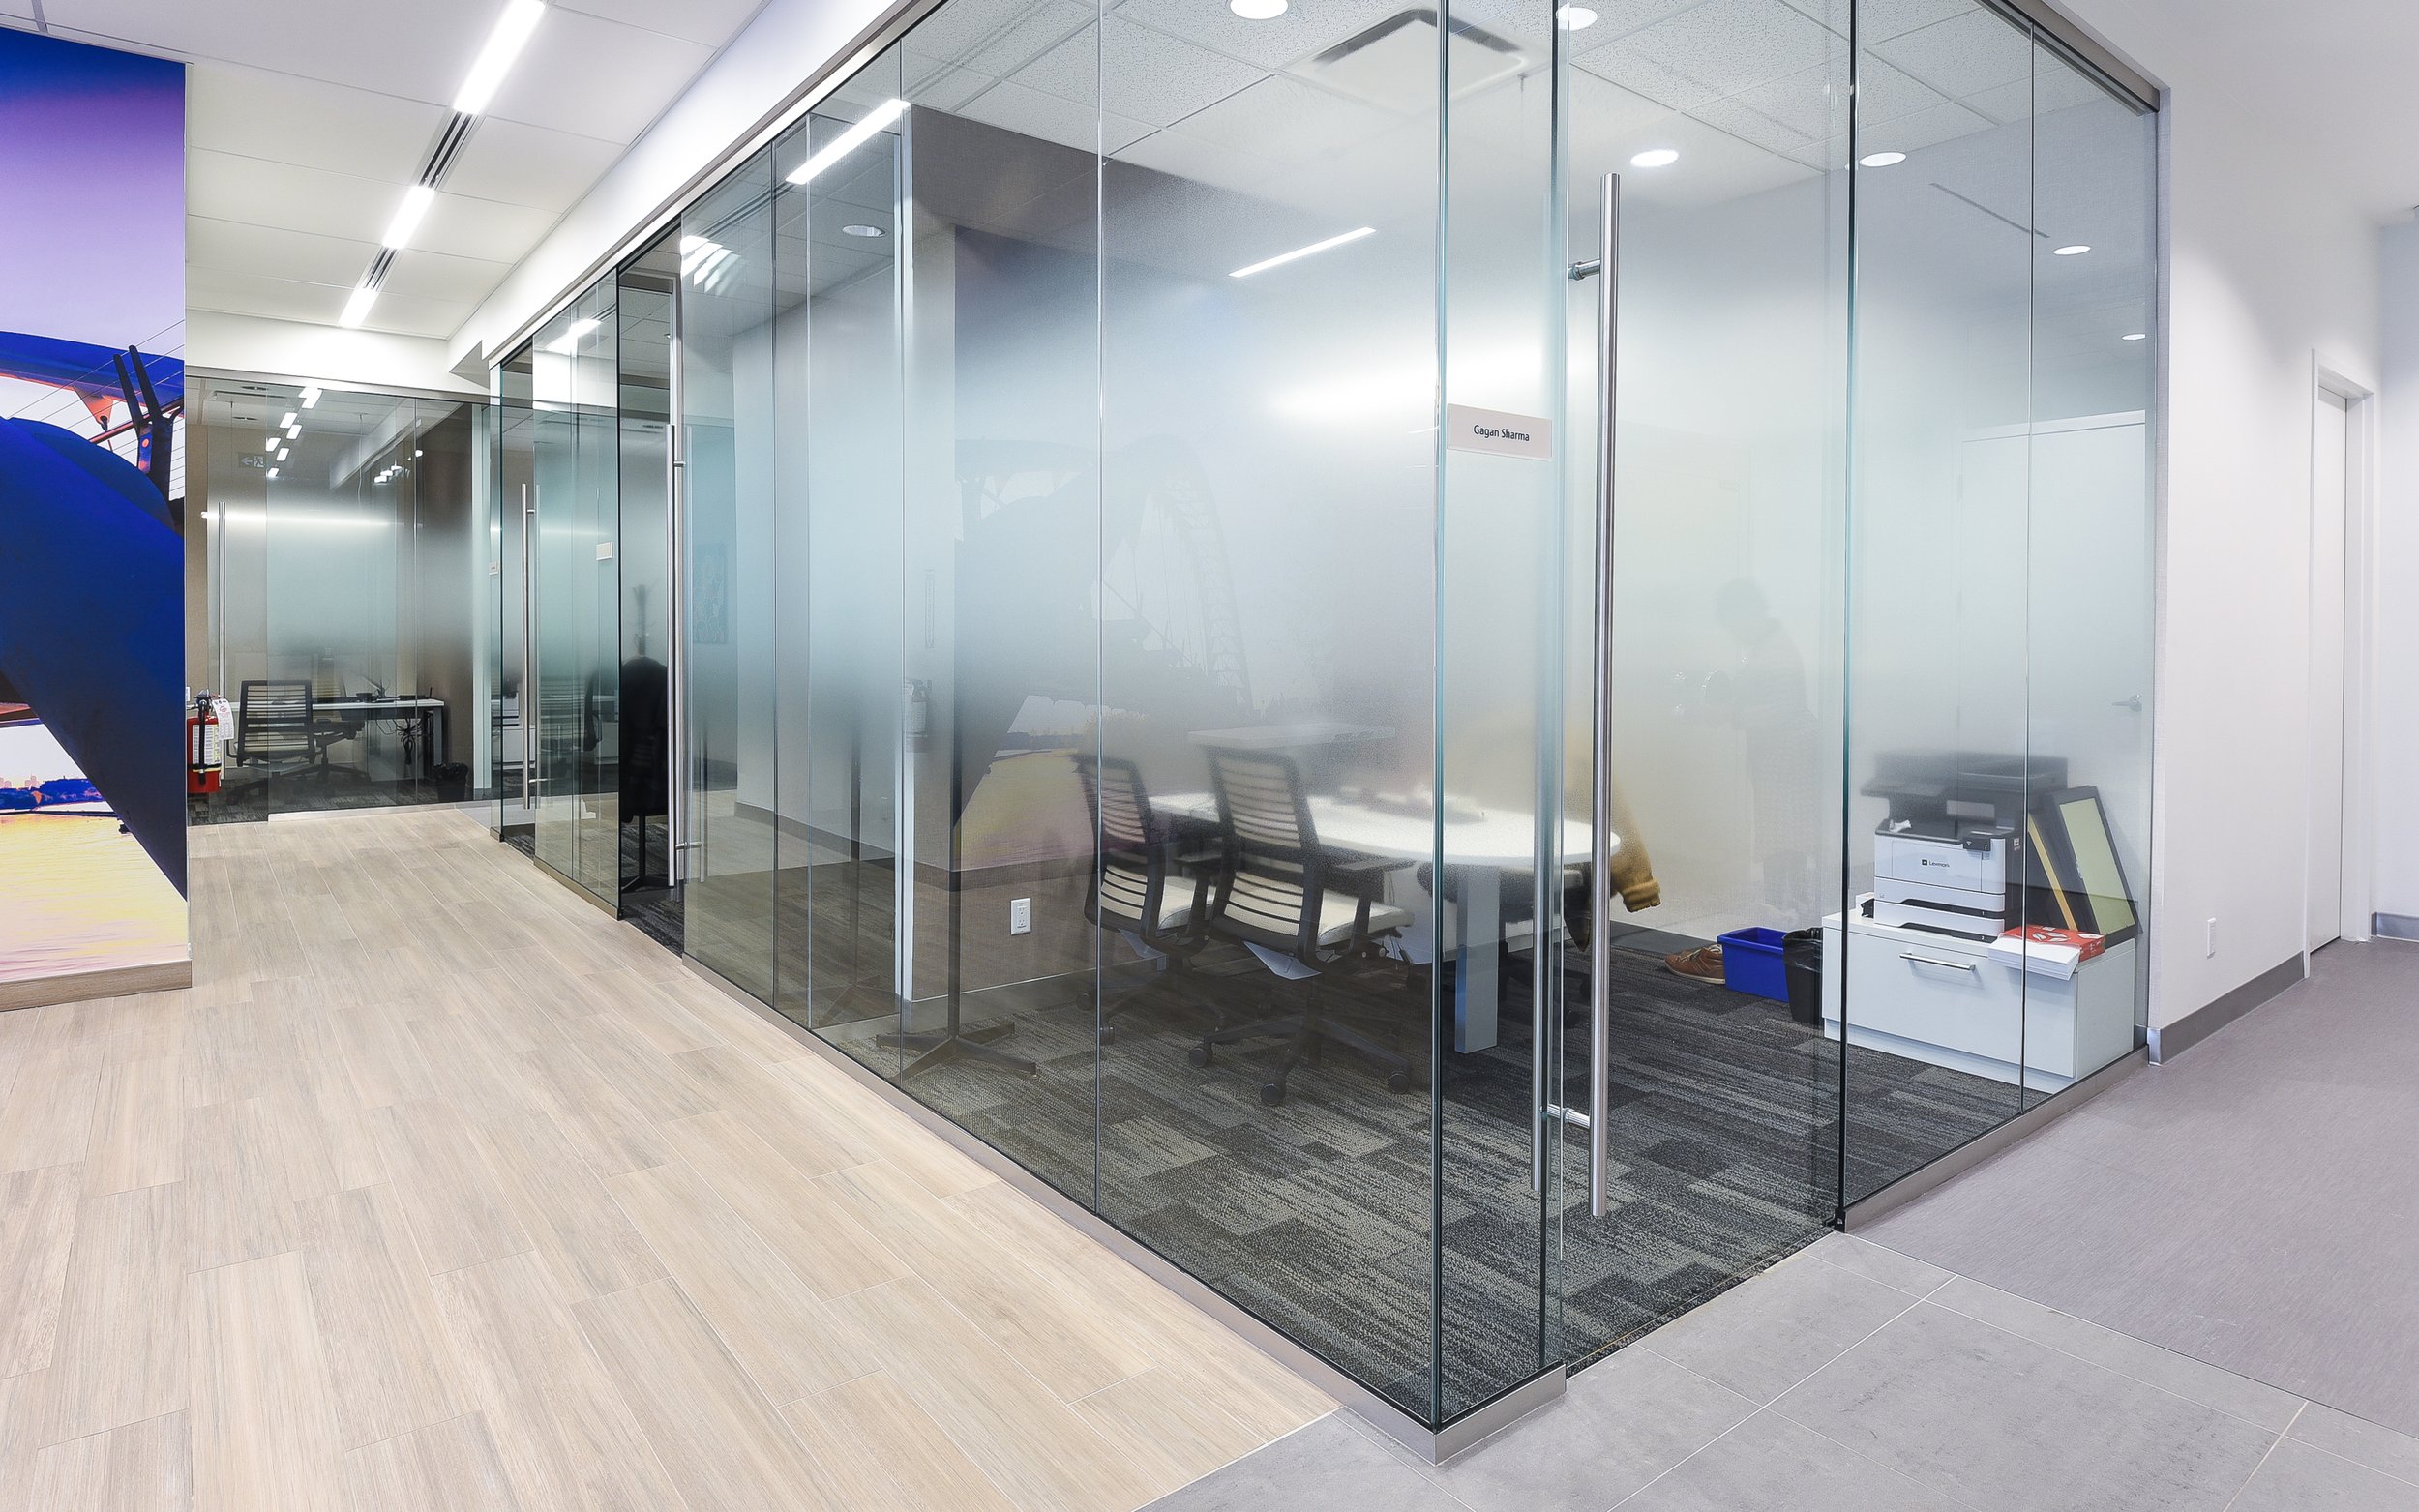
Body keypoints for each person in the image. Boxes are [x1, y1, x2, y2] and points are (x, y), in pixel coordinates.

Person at [1665, 578, 1818, 983]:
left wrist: (1728, 715)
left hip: (1789, 755)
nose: (1731, 632)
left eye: (1732, 622)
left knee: (1785, 839)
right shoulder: (1765, 646)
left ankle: (1785, 927)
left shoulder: (1776, 650)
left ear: (1746, 613)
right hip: (1779, 756)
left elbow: (1780, 709)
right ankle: (1785, 921)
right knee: (1782, 837)